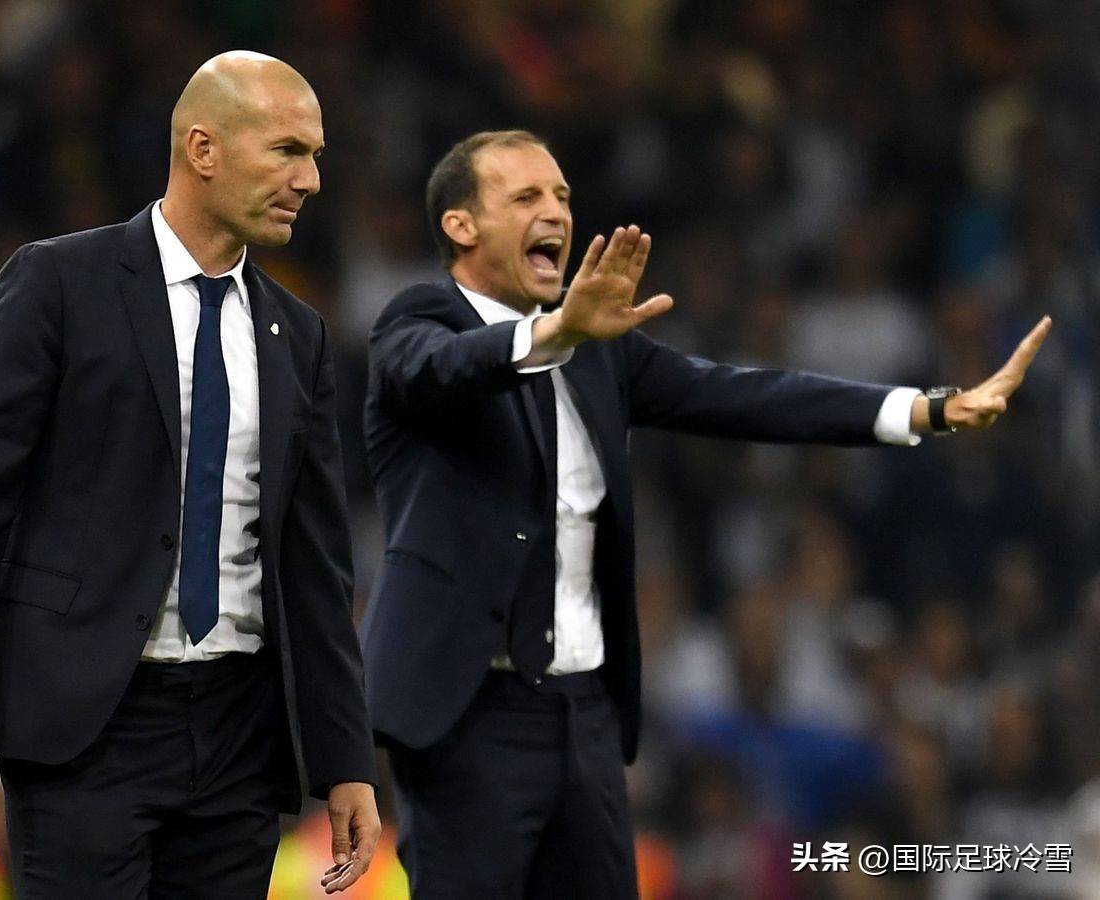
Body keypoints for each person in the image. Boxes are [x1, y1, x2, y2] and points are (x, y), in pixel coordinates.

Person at [359, 129, 1050, 898]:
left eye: (561, 196)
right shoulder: (417, 323)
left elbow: (743, 396)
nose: (555, 212)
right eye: (525, 196)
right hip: (467, 714)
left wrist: (926, 409)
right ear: (461, 225)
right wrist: (555, 331)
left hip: (584, 714)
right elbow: (437, 372)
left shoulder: (600, 350)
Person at [0, 51, 380, 898]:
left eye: (315, 156)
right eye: (286, 150)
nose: (309, 180)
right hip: (87, 721)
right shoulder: (58, 282)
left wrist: (346, 759)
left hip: (241, 733)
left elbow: (315, 564)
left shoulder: (299, 335)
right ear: (203, 148)